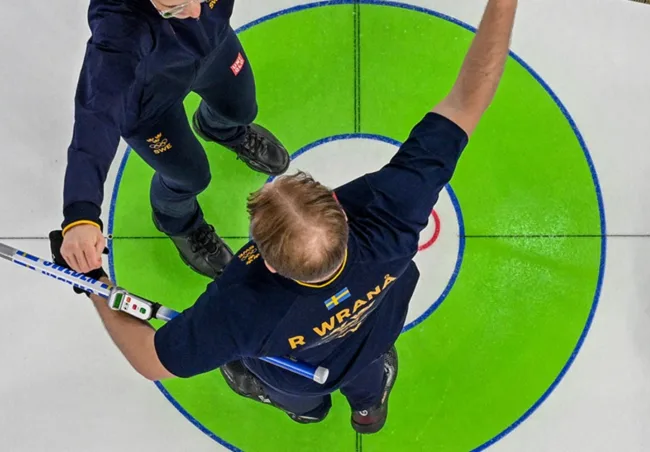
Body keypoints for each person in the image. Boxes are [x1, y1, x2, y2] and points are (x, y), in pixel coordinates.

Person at [50, 0, 519, 434]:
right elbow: (468, 99)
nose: (191, 8)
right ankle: (369, 406)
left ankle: (304, 411)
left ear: (267, 263)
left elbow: (152, 361)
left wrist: (95, 284)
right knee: (367, 370)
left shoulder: (240, 313)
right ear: (337, 209)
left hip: (296, 371)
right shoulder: (391, 217)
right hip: (375, 332)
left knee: (299, 393)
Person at [57, 0, 290, 280]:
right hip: (150, 106)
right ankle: (179, 222)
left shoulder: (197, 10)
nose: (194, 12)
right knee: (191, 176)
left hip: (215, 48)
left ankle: (220, 129)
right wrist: (81, 212)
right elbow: (97, 116)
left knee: (241, 110)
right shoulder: (120, 26)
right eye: (172, 7)